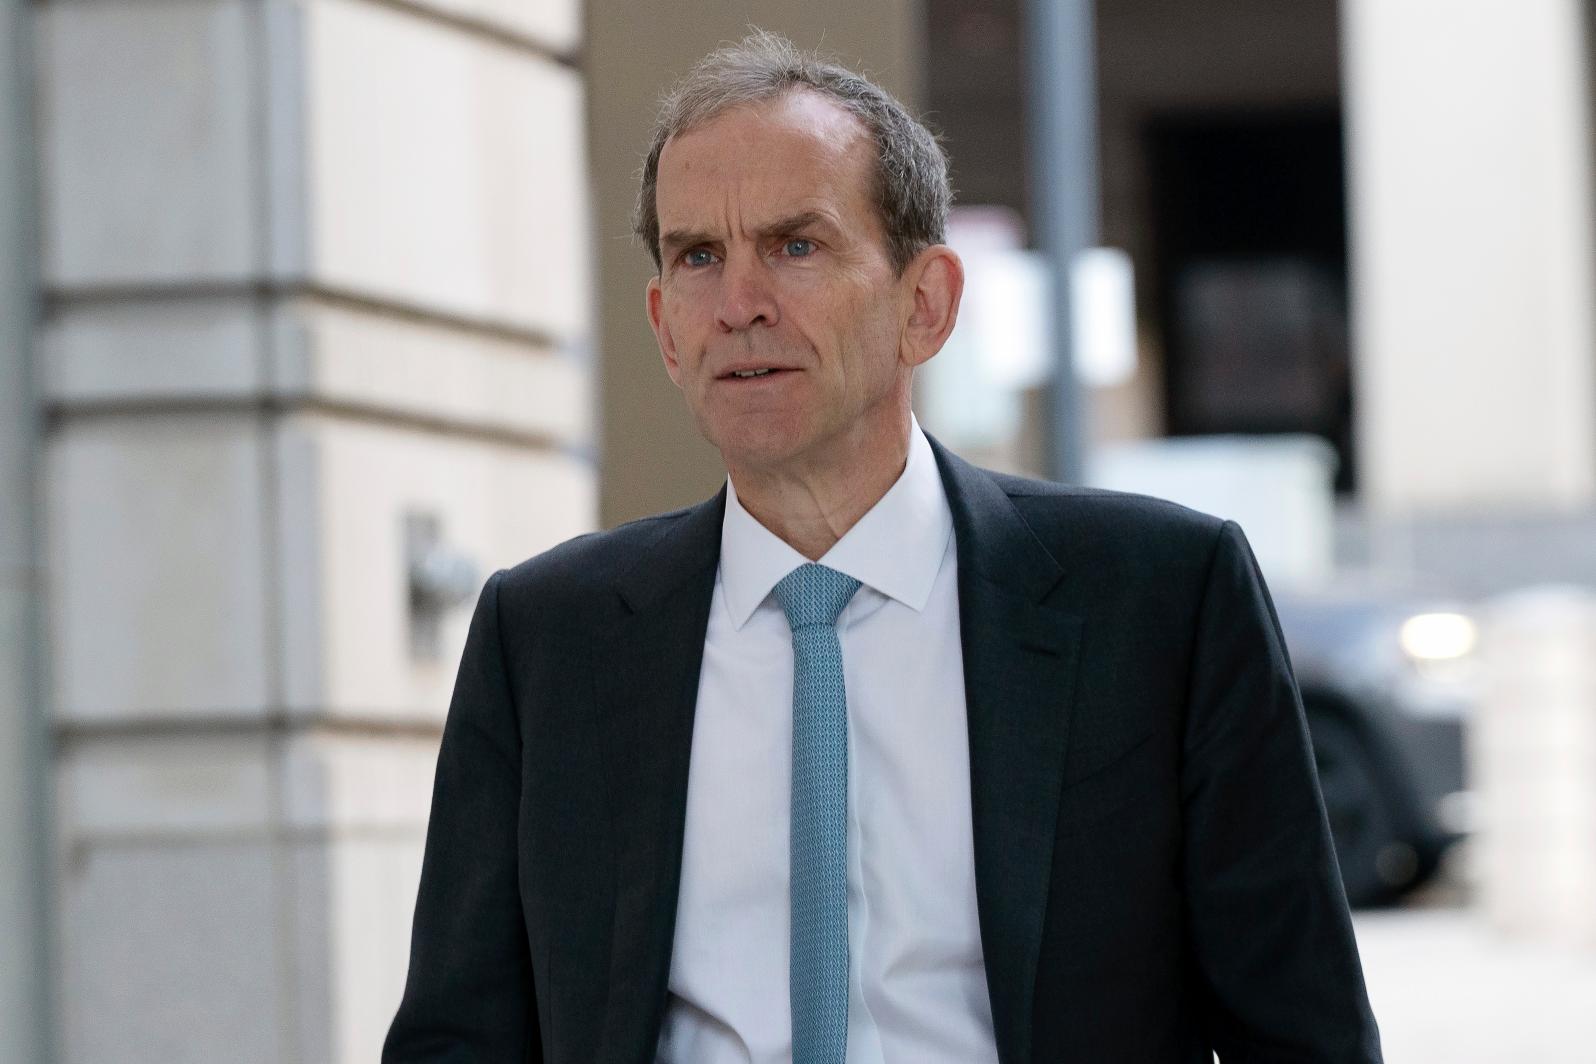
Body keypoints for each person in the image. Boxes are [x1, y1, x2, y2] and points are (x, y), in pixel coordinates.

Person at [383, 30, 1382, 1064]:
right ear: (665, 329)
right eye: (698, 257)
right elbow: (460, 1037)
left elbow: (1301, 1031)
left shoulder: (1163, 602)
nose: (740, 304)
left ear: (926, 303)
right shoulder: (548, 637)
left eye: (797, 245)